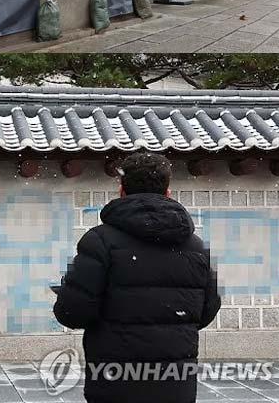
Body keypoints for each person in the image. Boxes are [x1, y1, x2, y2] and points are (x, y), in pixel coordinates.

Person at [53, 152, 221, 403]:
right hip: (175, 386)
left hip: (115, 384)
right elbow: (206, 310)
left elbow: (72, 312)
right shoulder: (196, 247)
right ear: (167, 192)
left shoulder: (99, 242)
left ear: (121, 190)